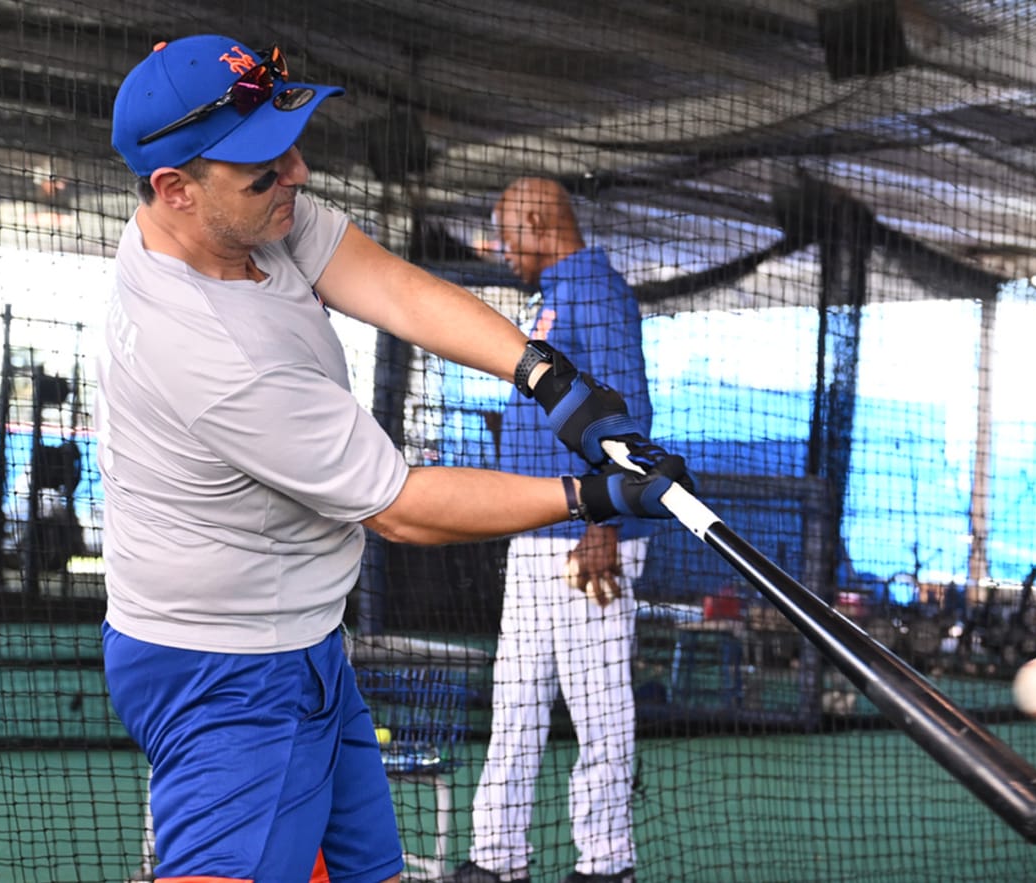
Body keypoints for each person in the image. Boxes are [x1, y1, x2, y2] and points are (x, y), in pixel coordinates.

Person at [95, 35, 694, 883]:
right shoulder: (210, 353)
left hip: (301, 642)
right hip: (222, 671)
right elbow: (402, 506)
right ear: (175, 189)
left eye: (288, 148)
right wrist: (590, 495)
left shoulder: (237, 222)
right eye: (265, 168)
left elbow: (394, 287)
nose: (296, 173)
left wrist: (547, 377)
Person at [451, 180, 650, 883]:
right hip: (533, 528)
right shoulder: (553, 295)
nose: (505, 251)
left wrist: (607, 522)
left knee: (598, 704)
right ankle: (497, 860)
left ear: (538, 221)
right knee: (517, 698)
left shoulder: (597, 290)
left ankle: (606, 864)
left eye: (509, 235)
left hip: (584, 538)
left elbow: (627, 411)